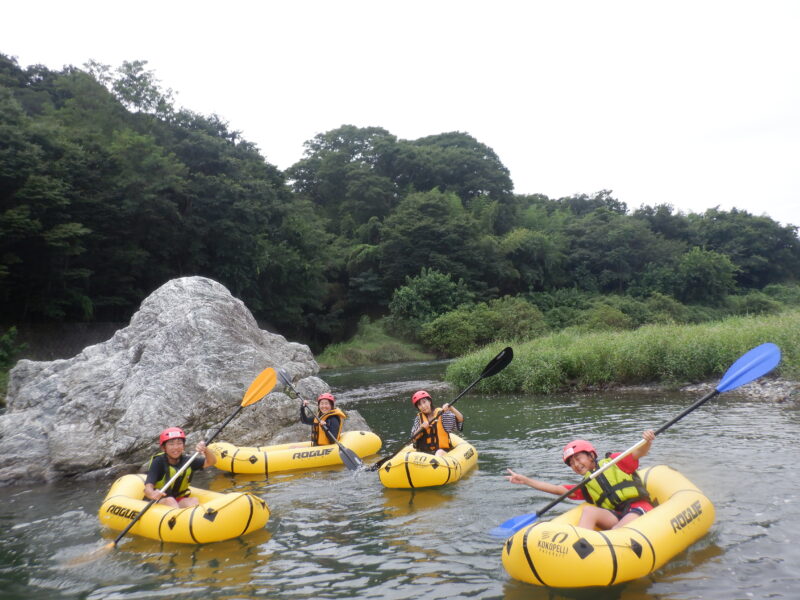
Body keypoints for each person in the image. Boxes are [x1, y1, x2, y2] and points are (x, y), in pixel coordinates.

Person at [505, 429, 656, 530]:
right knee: (589, 510)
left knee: (616, 531)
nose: (576, 465)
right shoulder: (586, 485)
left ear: (591, 455)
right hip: (617, 515)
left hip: (639, 509)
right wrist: (526, 480)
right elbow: (558, 489)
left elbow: (638, 452)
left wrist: (647, 441)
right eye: (571, 463)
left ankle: (606, 544)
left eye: (578, 458)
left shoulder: (615, 461)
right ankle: (580, 545)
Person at [143, 427, 216, 508]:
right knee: (170, 500)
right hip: (158, 501)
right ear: (164, 448)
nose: (176, 447)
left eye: (179, 443)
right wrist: (152, 493)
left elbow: (211, 462)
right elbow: (148, 487)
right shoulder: (158, 462)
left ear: (184, 446)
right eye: (171, 444)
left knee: (193, 501)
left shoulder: (187, 461)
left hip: (177, 499)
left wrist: (205, 450)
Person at [410, 390, 464, 457]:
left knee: (439, 452)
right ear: (418, 407)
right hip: (424, 454)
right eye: (419, 404)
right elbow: (413, 438)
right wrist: (421, 428)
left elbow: (460, 419)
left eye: (424, 402)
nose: (423, 406)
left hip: (442, 452)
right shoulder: (419, 418)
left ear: (429, 401)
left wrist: (451, 408)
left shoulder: (442, 414)